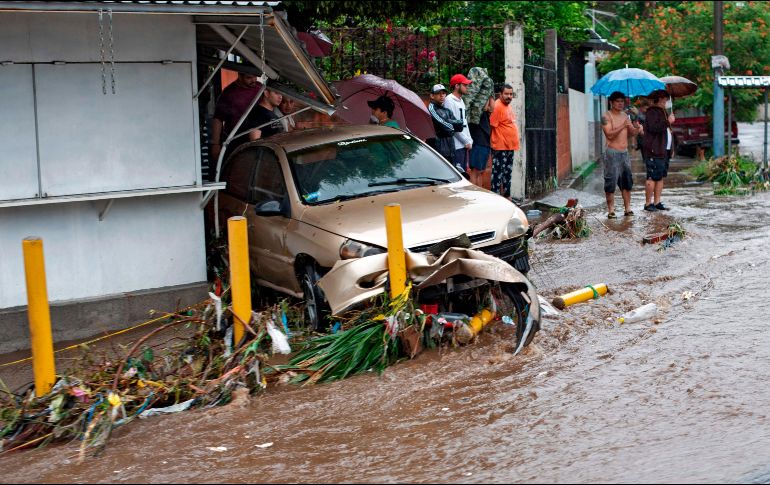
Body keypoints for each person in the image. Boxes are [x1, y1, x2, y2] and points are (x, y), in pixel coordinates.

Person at [601, 91, 641, 219]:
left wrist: (636, 120)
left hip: (624, 153)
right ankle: (611, 210)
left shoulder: (625, 115)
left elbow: (632, 133)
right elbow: (609, 135)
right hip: (611, 153)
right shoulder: (605, 116)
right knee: (610, 182)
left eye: (622, 101)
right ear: (611, 102)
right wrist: (622, 125)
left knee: (627, 181)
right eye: (617, 101)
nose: (620, 103)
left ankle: (627, 208)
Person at [210, 72, 263, 163]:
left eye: (255, 77)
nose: (254, 80)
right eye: (249, 77)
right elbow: (218, 119)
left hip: (257, 139)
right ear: (239, 76)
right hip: (235, 141)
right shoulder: (228, 93)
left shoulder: (260, 88)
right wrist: (215, 144)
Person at [641, 89, 675, 212]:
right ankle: (647, 203)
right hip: (654, 150)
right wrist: (668, 122)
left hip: (663, 150)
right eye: (665, 99)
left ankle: (657, 202)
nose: (666, 102)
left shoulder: (663, 112)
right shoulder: (652, 112)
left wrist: (671, 148)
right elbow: (654, 128)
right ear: (659, 99)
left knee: (660, 177)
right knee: (651, 177)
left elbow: (666, 131)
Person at [489, 83, 521, 199]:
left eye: (511, 94)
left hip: (509, 146)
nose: (509, 96)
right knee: (498, 174)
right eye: (506, 94)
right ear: (500, 94)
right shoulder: (497, 106)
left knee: (507, 174)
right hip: (500, 146)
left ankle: (507, 198)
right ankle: (496, 199)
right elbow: (492, 125)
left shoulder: (507, 106)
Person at [465, 67, 495, 187]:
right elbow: (491, 107)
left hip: (481, 138)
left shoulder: (474, 111)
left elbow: (490, 107)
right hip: (479, 138)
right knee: (476, 172)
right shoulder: (477, 112)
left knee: (479, 172)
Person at [443, 73, 474, 173]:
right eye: (464, 85)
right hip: (455, 146)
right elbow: (452, 125)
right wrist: (466, 141)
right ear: (457, 86)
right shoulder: (449, 101)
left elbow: (464, 123)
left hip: (463, 145)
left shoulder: (461, 100)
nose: (467, 87)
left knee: (463, 174)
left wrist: (469, 140)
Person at [426, 83, 464, 161]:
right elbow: (445, 127)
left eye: (443, 93)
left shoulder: (447, 110)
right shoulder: (431, 108)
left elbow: (460, 127)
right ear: (432, 96)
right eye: (438, 93)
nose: (442, 95)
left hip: (450, 148)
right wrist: (451, 125)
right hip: (437, 149)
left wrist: (449, 124)